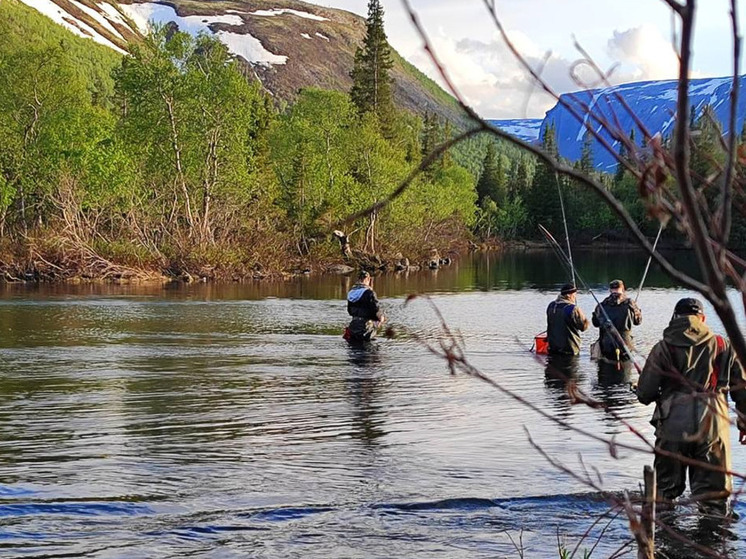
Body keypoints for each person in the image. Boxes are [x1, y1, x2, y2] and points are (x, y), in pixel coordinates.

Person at [637, 297, 746, 516]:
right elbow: (742, 391)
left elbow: (645, 394)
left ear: (675, 317)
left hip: (673, 425)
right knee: (714, 501)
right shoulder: (724, 345)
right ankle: (713, 544)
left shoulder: (663, 348)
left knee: (663, 497)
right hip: (714, 425)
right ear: (702, 319)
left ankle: (664, 544)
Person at [591, 279, 642, 362]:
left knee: (605, 372)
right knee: (625, 372)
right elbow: (638, 322)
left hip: (606, 346)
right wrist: (637, 311)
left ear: (610, 290)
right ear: (623, 289)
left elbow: (595, 323)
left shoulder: (602, 305)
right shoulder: (630, 303)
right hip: (625, 345)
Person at [546, 283, 589, 355]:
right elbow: (583, 327)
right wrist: (581, 314)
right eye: (574, 294)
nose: (575, 297)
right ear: (568, 295)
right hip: (570, 349)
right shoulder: (573, 308)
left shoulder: (551, 305)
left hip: (553, 347)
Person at [345, 270, 385, 343]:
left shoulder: (351, 293)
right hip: (365, 326)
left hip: (353, 325)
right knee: (368, 350)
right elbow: (375, 308)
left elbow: (349, 311)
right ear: (368, 279)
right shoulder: (369, 293)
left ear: (358, 279)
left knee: (353, 350)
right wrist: (381, 318)